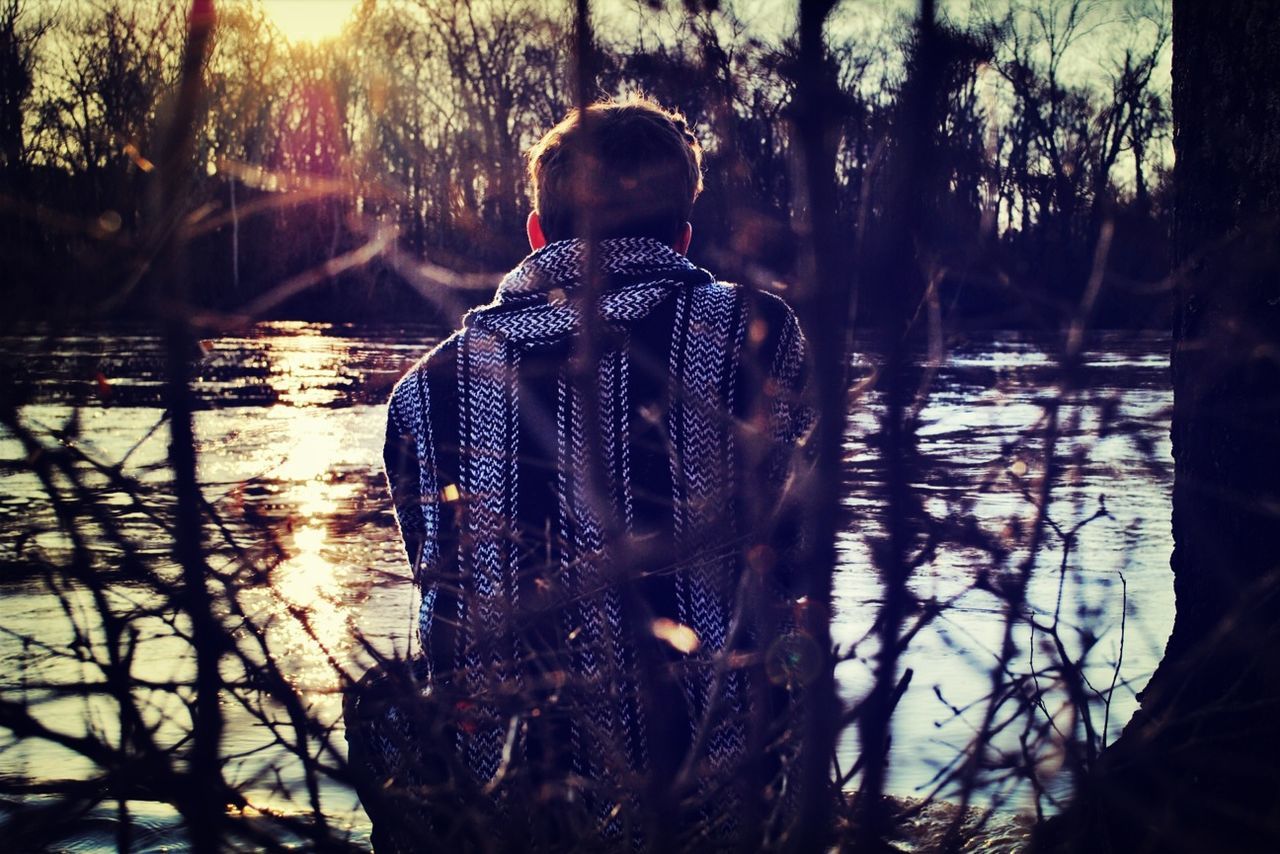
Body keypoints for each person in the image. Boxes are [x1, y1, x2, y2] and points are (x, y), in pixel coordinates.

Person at [346, 94, 814, 852]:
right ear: (684, 236)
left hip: (495, 806)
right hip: (705, 803)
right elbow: (795, 554)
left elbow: (444, 591)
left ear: (536, 232)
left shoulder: (422, 393)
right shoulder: (753, 332)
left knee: (390, 690)